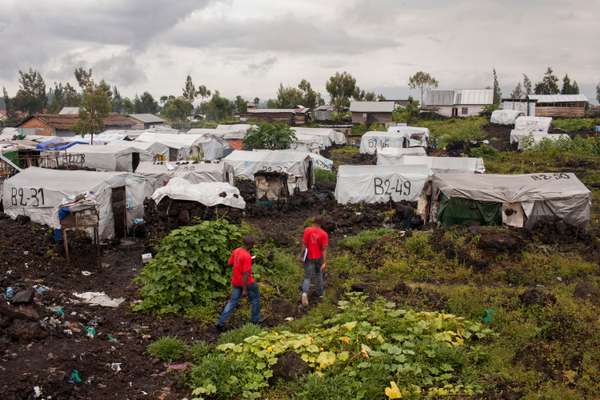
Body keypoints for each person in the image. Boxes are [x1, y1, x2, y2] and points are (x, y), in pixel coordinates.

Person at [216, 236, 260, 331]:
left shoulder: (236, 251)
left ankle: (221, 323)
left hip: (235, 281)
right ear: (250, 245)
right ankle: (255, 321)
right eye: (253, 245)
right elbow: (246, 274)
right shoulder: (247, 256)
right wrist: (244, 289)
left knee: (232, 302)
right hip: (247, 283)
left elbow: (230, 263)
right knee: (255, 300)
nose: (253, 246)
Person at [300, 217, 329, 306]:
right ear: (321, 224)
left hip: (308, 257)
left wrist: (301, 256)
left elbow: (304, 245)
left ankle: (304, 293)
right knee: (318, 275)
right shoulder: (324, 234)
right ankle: (320, 294)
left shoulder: (307, 230)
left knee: (307, 277)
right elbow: (324, 249)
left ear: (313, 222)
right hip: (319, 257)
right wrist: (324, 262)